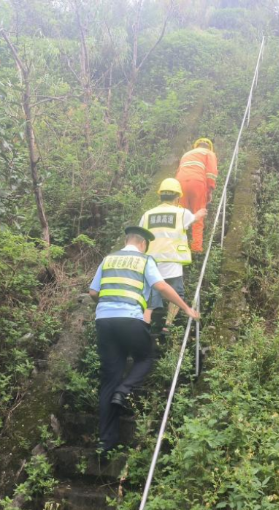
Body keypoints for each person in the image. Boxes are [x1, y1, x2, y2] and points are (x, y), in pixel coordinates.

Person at [88, 226, 199, 455]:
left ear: (126, 239)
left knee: (109, 380)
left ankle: (105, 443)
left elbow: (93, 292)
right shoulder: (144, 260)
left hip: (104, 321)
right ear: (142, 244)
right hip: (129, 320)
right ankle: (125, 389)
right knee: (145, 358)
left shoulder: (108, 259)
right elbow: (161, 286)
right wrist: (186, 308)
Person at [139, 178, 207, 332]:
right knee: (176, 293)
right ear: (178, 197)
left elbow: (141, 237)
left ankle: (144, 327)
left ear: (160, 196)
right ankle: (168, 325)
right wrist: (201, 212)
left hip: (151, 262)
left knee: (150, 296)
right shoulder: (181, 213)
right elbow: (194, 218)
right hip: (172, 260)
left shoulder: (147, 215)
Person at [175, 138, 218, 253]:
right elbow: (211, 173)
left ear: (196, 146)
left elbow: (179, 170)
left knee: (180, 215)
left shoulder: (186, 154)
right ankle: (196, 248)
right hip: (197, 183)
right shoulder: (209, 153)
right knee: (198, 214)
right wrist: (209, 191)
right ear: (209, 147)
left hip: (180, 184)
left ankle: (177, 246)